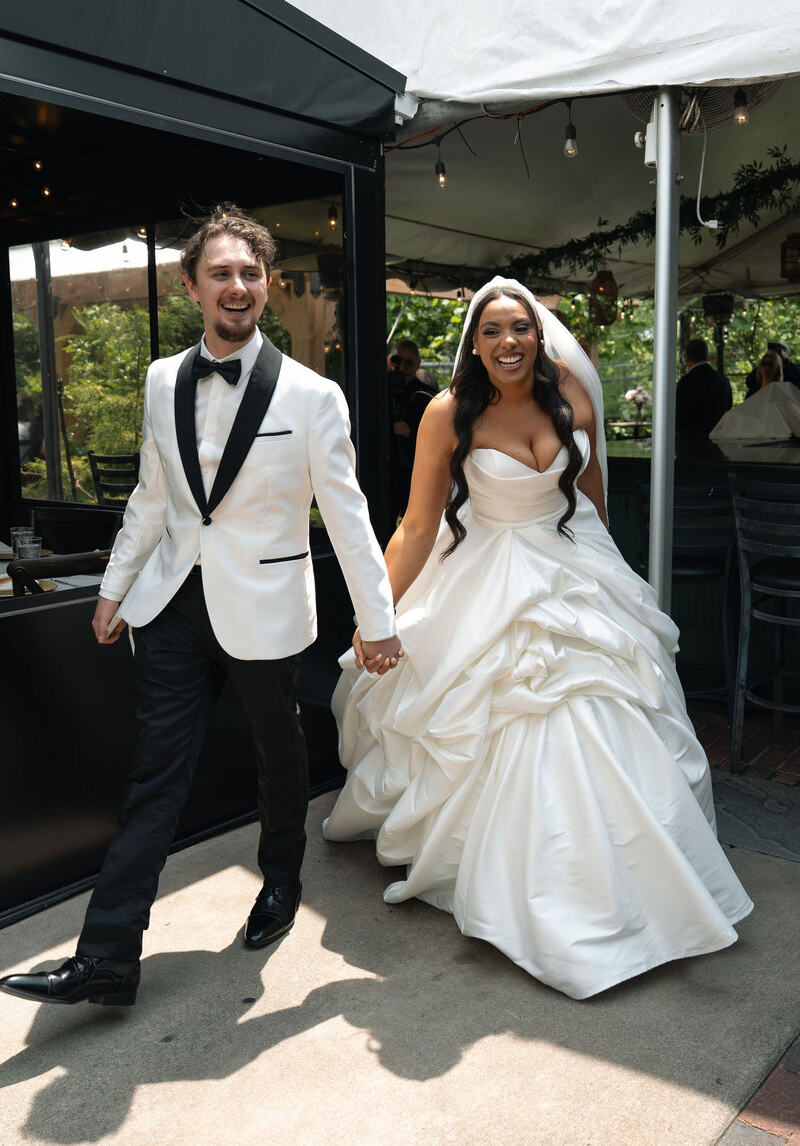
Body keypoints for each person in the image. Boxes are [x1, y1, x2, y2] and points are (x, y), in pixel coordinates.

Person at [0, 205, 402, 1009]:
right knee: (156, 772)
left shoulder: (313, 395)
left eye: (250, 272)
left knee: (278, 752)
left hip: (265, 604)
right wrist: (114, 589)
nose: (238, 286)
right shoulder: (158, 380)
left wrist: (379, 620)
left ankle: (280, 880)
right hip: (176, 601)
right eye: (221, 272)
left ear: (266, 285)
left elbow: (349, 515)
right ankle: (109, 955)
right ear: (192, 286)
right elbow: (154, 496)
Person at [323, 276, 752, 1001]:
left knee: (603, 708)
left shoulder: (572, 400)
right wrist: (378, 614)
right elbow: (418, 525)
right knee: (497, 717)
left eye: (519, 327)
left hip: (568, 573)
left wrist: (612, 593)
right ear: (473, 342)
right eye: (490, 330)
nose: (507, 342)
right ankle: (534, 892)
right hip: (485, 575)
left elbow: (591, 504)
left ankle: (638, 888)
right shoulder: (447, 411)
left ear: (538, 334)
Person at [387, 339, 434, 522]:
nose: (403, 367)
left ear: (418, 364)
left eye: (409, 363)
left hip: (412, 471)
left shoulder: (426, 396)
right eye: (397, 361)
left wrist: (410, 432)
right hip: (386, 472)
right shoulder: (380, 390)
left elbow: (437, 441)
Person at [675, 338, 732, 435]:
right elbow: (728, 408)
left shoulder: (686, 382)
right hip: (718, 439)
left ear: (685, 357)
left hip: (692, 442)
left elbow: (680, 417)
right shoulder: (723, 380)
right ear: (707, 356)